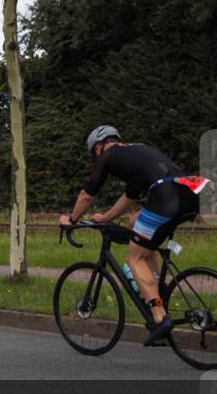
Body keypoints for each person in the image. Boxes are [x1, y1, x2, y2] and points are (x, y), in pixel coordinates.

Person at [58, 126, 208, 347]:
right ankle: (159, 292)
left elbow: (86, 194)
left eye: (94, 153)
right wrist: (105, 218)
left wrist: (71, 220)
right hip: (188, 196)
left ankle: (159, 317)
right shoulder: (138, 153)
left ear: (98, 147)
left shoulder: (106, 155)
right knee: (134, 223)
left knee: (134, 258)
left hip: (165, 199)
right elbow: (128, 199)